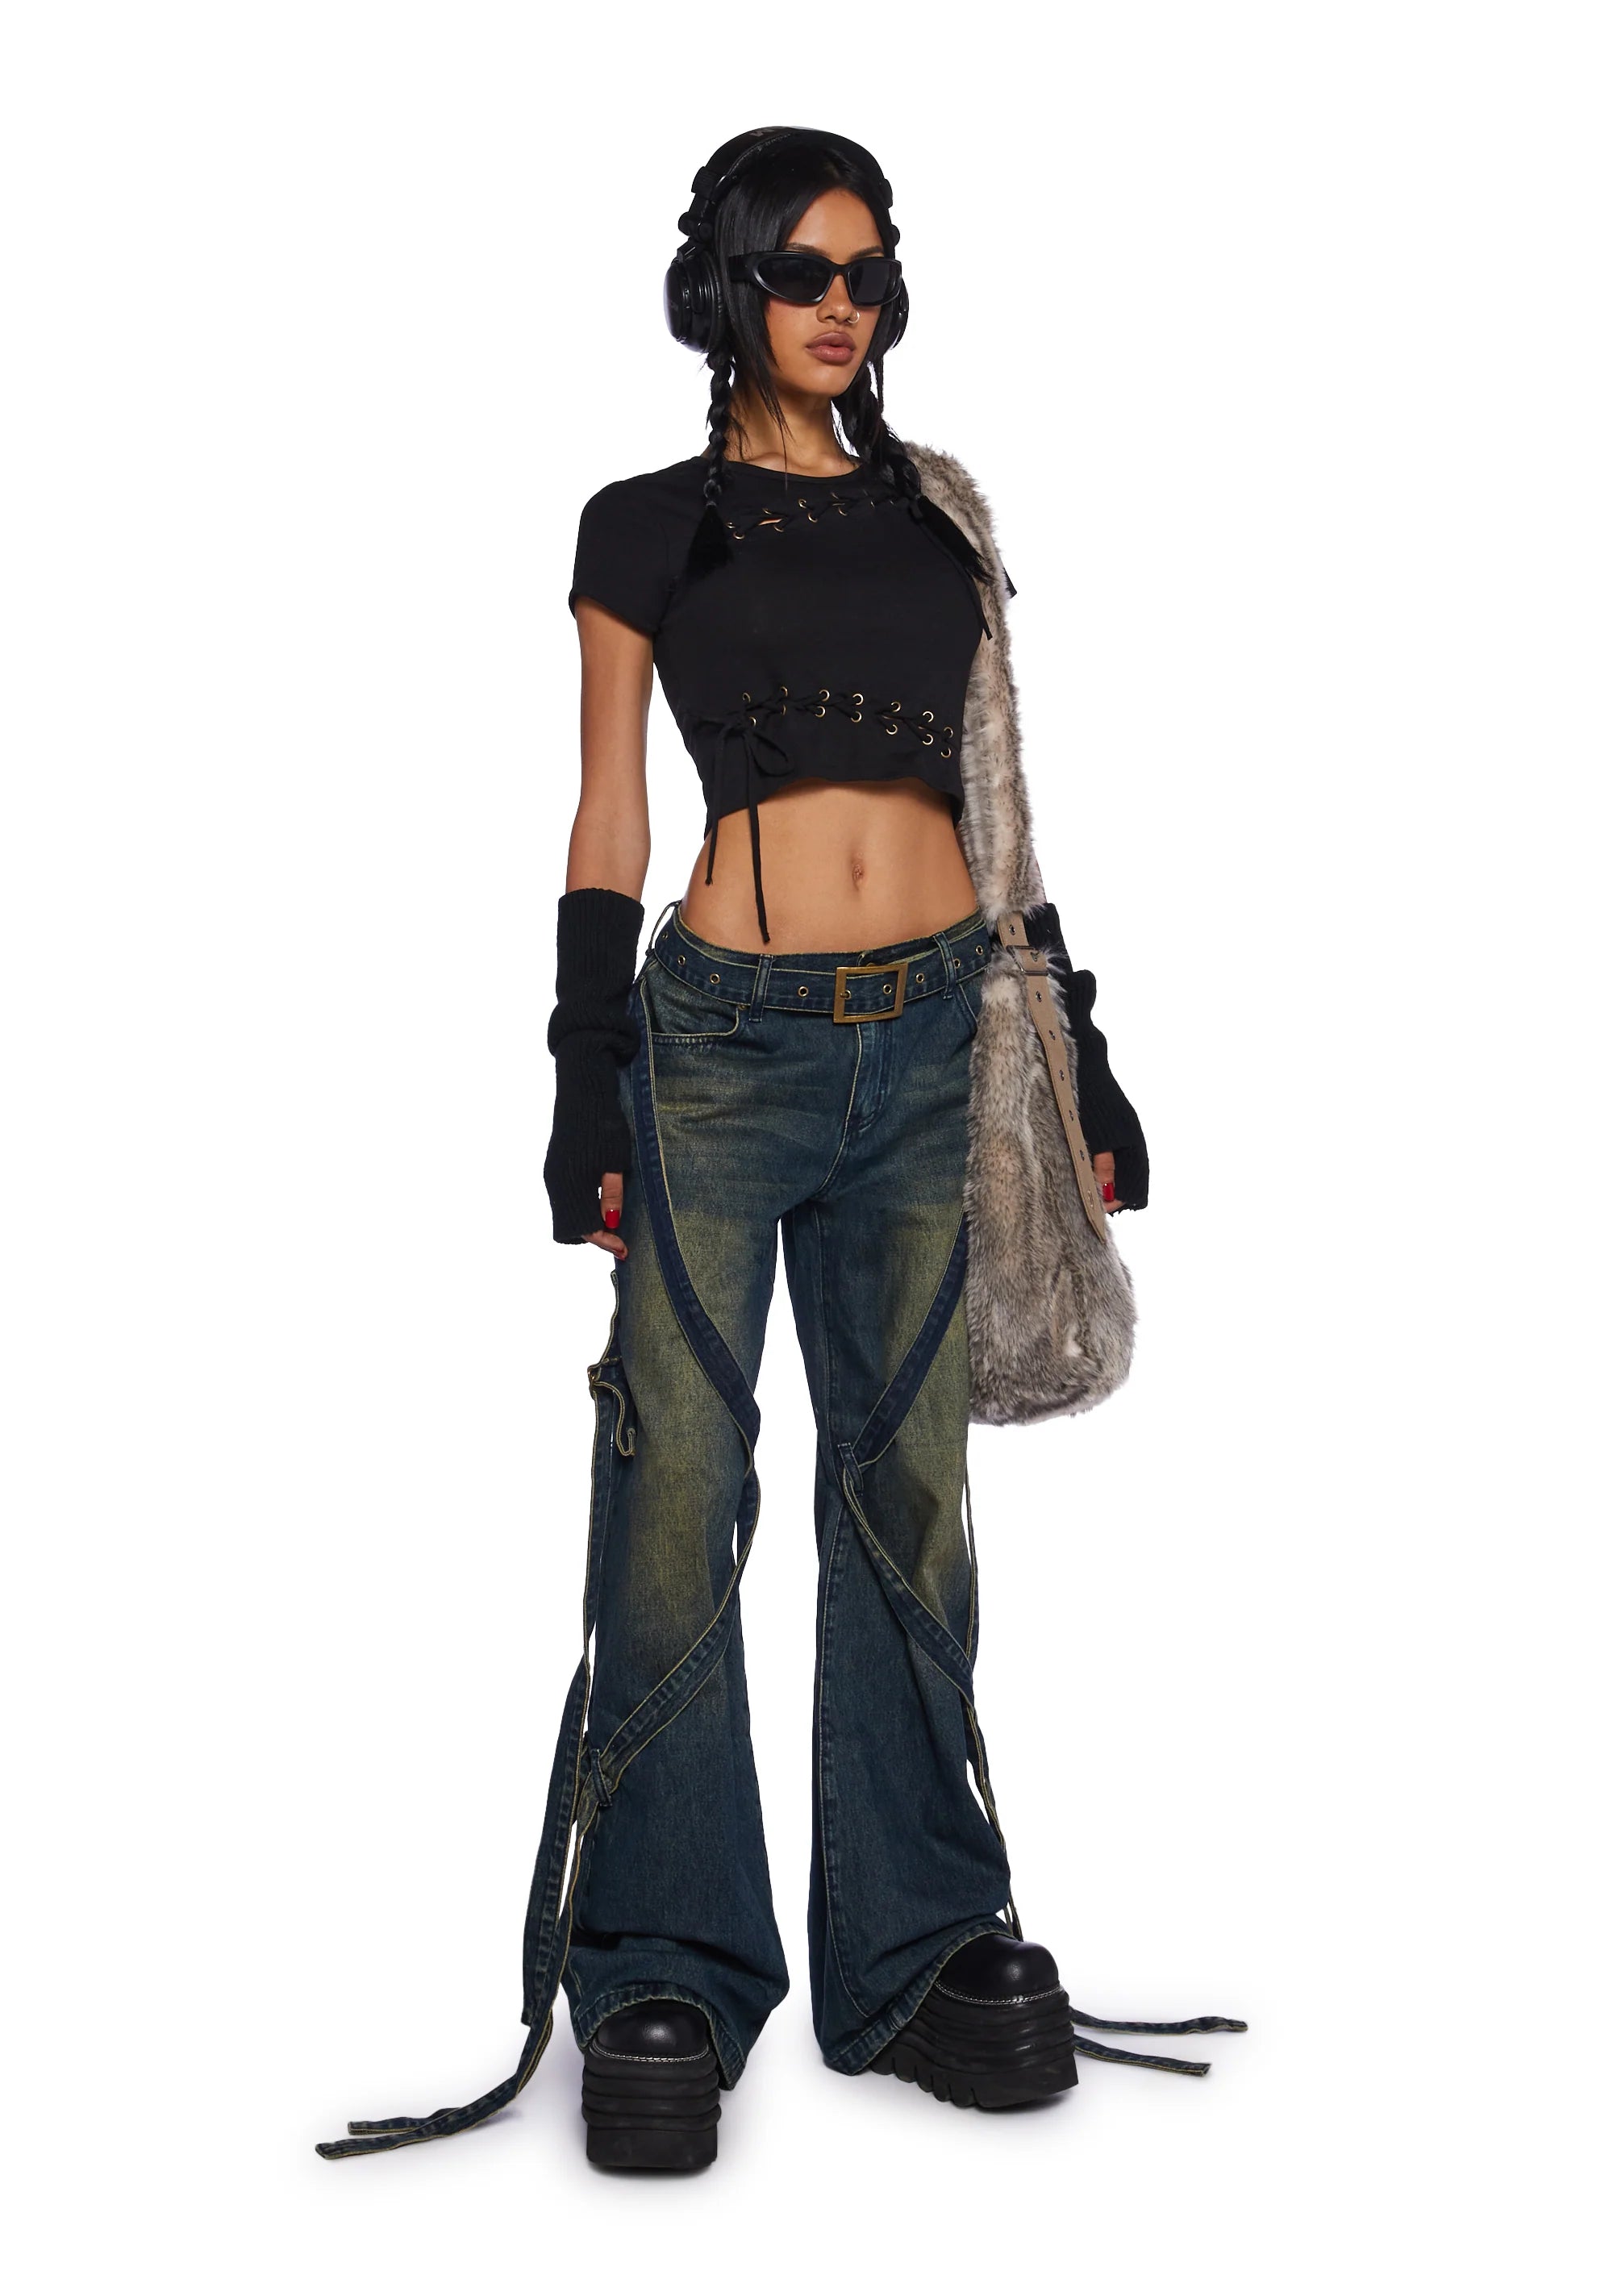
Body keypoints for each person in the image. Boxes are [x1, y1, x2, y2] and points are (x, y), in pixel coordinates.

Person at [318, 125, 1240, 2174]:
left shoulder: (940, 513)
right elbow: (606, 811)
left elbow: (1001, 804)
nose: (846, 305)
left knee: (908, 1496)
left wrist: (1076, 1048)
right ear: (726, 289)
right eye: (808, 270)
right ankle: (663, 1959)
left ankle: (917, 1950)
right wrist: (583, 1069)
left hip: (932, 1039)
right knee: (673, 1496)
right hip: (721, 1050)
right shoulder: (644, 523)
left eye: (873, 274)